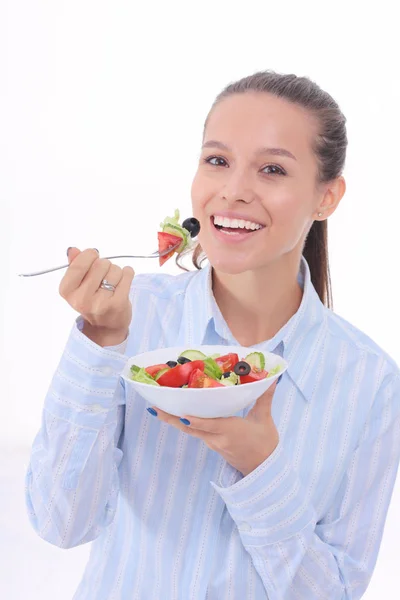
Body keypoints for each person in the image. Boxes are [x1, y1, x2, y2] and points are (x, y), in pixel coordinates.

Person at [25, 70, 400, 600]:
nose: (234, 191)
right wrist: (100, 346)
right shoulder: (129, 317)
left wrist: (263, 471)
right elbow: (59, 524)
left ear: (326, 197)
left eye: (272, 169)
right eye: (218, 161)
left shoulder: (371, 383)